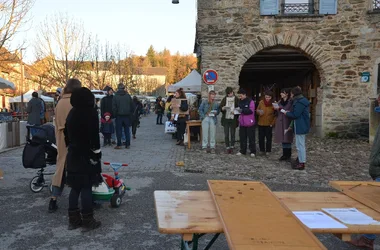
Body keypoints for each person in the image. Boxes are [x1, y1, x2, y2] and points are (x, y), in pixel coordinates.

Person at [65, 87, 102, 231]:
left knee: (75, 187)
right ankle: (88, 219)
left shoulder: (72, 113)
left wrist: (71, 146)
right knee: (87, 186)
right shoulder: (90, 113)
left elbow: (66, 134)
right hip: (87, 155)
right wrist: (96, 154)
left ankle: (73, 219)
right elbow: (94, 138)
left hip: (73, 154)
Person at [49, 79, 82, 213]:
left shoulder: (60, 102)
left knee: (61, 169)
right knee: (80, 168)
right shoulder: (76, 102)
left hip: (61, 139)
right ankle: (85, 199)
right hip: (74, 138)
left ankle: (53, 199)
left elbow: (57, 123)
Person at [282, 86, 310, 170]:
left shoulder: (299, 102)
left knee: (300, 145)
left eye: (291, 93)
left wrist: (286, 113)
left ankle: (301, 162)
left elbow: (296, 114)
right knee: (300, 144)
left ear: (293, 94)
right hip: (300, 124)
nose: (290, 95)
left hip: (300, 125)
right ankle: (300, 159)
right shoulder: (300, 101)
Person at [273, 88, 294, 161]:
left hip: (287, 121)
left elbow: (291, 111)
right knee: (282, 138)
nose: (281, 94)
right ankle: (284, 155)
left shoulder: (290, 102)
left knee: (287, 138)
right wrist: (276, 108)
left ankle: (288, 155)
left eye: (282, 93)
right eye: (281, 93)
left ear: (287, 94)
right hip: (280, 121)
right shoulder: (279, 102)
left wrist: (282, 109)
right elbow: (277, 112)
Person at [112, 83, 134, 149]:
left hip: (119, 116)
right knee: (127, 130)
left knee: (119, 131)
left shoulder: (115, 96)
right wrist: (130, 114)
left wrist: (115, 114)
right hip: (127, 116)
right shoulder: (128, 96)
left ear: (118, 88)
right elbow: (132, 106)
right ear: (124, 88)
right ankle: (127, 144)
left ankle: (119, 144)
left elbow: (114, 107)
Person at [236, 88, 256, 157]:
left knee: (251, 138)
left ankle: (253, 151)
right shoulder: (239, 101)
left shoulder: (251, 101)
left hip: (250, 122)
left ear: (244, 95)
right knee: (242, 138)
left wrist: (242, 110)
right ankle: (242, 150)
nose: (240, 97)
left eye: (241, 96)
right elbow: (239, 110)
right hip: (242, 122)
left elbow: (251, 111)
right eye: (239, 96)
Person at [220, 87, 239, 154]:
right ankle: (227, 146)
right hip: (226, 119)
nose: (230, 94)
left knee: (233, 133)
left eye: (231, 93)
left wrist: (236, 111)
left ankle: (232, 146)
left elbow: (239, 108)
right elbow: (221, 107)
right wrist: (223, 108)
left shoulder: (236, 99)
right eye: (228, 94)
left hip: (233, 118)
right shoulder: (225, 99)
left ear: (232, 92)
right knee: (226, 134)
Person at [256, 90, 276, 155]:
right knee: (261, 137)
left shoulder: (274, 104)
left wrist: (272, 123)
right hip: (261, 123)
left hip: (269, 123)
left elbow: (276, 114)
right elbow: (257, 110)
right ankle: (262, 150)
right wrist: (259, 112)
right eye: (266, 97)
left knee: (268, 138)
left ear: (271, 97)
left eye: (269, 97)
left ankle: (268, 150)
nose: (267, 98)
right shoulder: (261, 102)